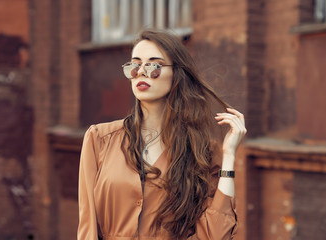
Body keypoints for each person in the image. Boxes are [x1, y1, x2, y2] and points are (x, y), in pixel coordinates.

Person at [77, 29, 247, 240]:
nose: (141, 72)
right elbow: (87, 227)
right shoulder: (99, 139)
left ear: (177, 74)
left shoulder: (202, 151)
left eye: (154, 65)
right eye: (135, 65)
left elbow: (215, 235)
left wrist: (229, 156)